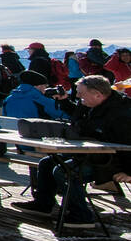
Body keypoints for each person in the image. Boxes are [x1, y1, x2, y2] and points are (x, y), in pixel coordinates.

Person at [13, 76, 131, 229]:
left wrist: (128, 171)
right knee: (47, 163)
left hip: (111, 162)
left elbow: (128, 144)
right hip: (93, 154)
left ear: (97, 94)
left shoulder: (122, 114)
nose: (78, 96)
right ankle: (43, 204)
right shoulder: (96, 104)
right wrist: (64, 101)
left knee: (65, 170)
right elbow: (79, 119)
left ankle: (81, 215)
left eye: (81, 93)